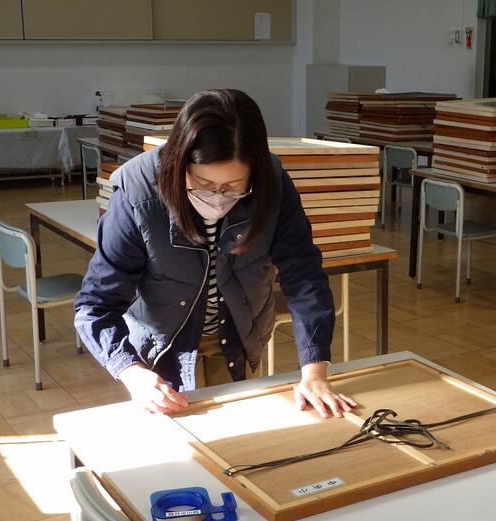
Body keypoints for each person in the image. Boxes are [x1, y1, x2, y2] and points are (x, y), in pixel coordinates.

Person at [74, 89, 355, 418]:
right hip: (160, 347)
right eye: (203, 183)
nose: (218, 198)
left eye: (234, 186)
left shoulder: (272, 183)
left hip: (235, 338)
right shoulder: (139, 192)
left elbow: (303, 275)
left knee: (234, 432)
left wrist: (315, 372)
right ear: (180, 162)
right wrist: (132, 372)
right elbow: (95, 305)